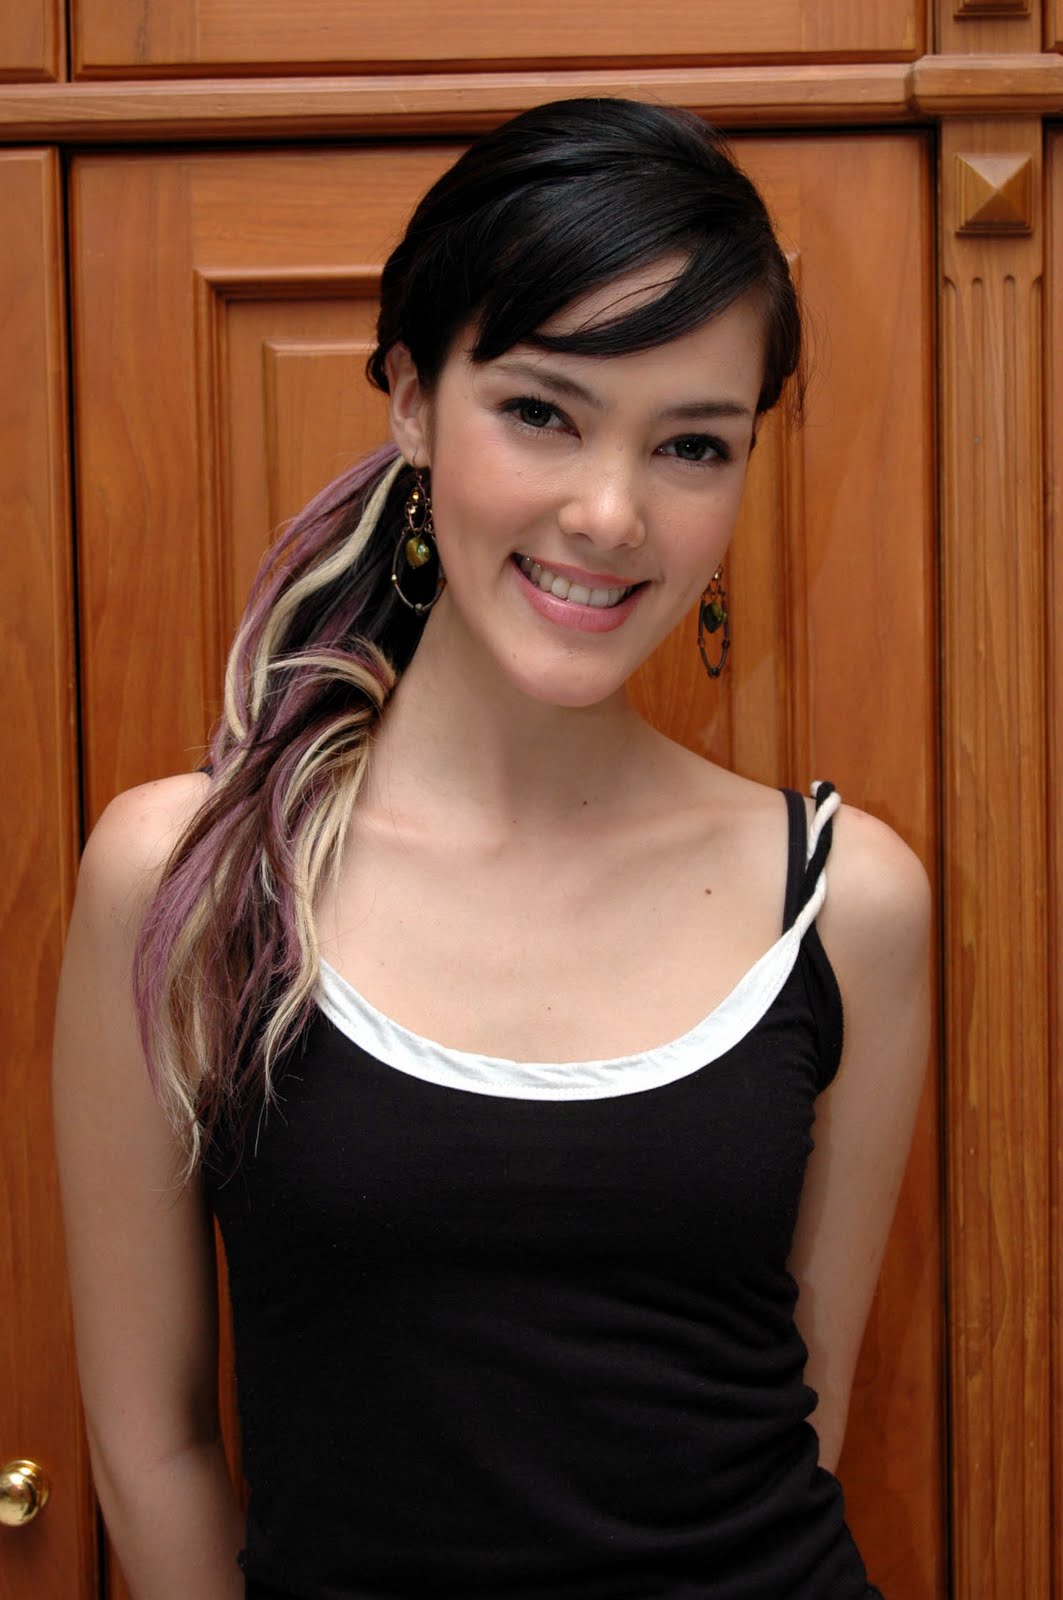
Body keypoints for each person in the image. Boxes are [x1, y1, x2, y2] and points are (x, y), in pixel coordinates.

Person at [53, 97, 930, 1600]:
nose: (612, 514)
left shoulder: (846, 901)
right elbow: (153, 1444)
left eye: (694, 445)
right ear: (412, 397)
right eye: (542, 412)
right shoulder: (191, 876)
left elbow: (808, 1396)